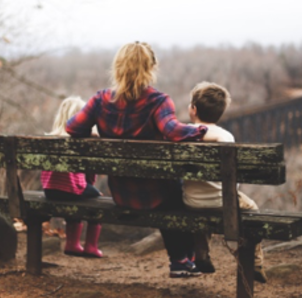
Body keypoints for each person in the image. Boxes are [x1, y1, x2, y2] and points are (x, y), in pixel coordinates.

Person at [66, 42, 208, 278]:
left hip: (122, 194)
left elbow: (72, 127)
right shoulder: (158, 101)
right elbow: (173, 131)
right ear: (151, 68)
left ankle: (184, 260)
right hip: (157, 194)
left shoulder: (100, 100)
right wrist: (202, 130)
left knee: (171, 190)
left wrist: (92, 134)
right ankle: (182, 259)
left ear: (118, 67)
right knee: (178, 191)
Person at [182, 81, 267, 283]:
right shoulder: (225, 136)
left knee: (201, 211)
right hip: (223, 202)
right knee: (252, 209)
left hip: (191, 202)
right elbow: (232, 177)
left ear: (193, 110)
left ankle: (201, 254)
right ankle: (256, 262)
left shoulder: (183, 134)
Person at [41, 96, 103, 258]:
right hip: (71, 189)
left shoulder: (51, 138)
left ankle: (72, 244)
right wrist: (89, 185)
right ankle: (90, 246)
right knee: (97, 199)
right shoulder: (81, 140)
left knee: (75, 195)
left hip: (50, 190)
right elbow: (89, 172)